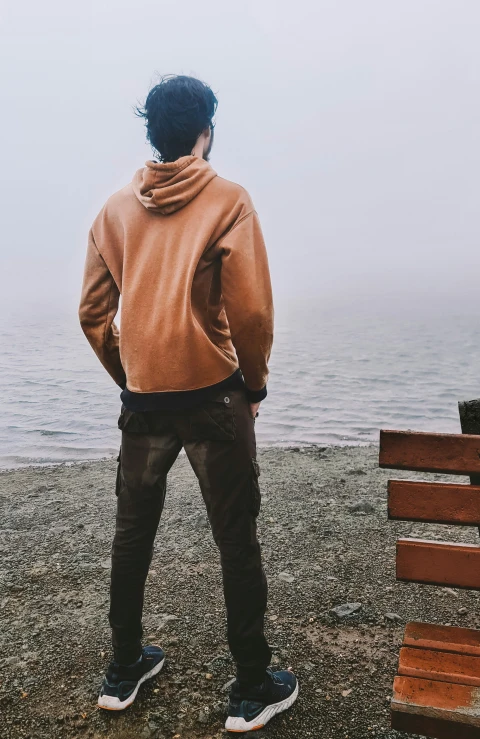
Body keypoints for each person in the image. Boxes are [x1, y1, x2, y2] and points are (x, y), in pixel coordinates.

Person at [79, 74, 298, 732]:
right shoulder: (228, 198)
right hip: (213, 399)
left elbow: (93, 313)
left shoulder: (115, 208)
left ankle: (123, 670)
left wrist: (135, 370)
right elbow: (251, 311)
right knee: (236, 538)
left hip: (144, 400)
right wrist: (253, 385)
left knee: (131, 533)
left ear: (153, 130)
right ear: (206, 129)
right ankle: (253, 685)